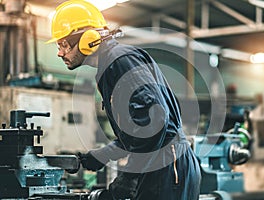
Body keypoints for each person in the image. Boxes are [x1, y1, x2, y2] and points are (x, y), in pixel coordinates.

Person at [47, 1, 201, 199]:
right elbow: (139, 133)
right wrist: (103, 155)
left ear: (88, 39)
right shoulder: (110, 66)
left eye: (64, 45)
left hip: (167, 167)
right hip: (161, 163)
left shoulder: (119, 62)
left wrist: (129, 177)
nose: (60, 53)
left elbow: (154, 124)